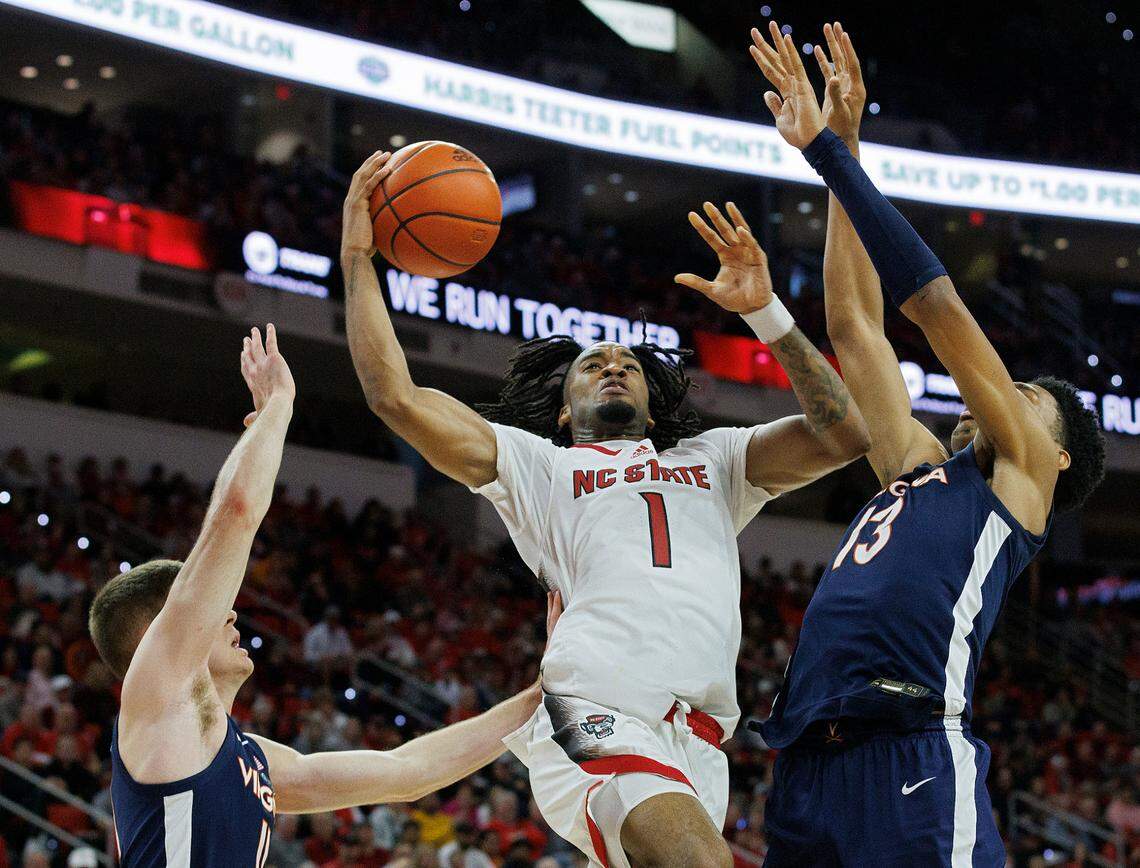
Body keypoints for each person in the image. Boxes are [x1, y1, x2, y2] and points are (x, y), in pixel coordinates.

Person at [341, 151, 870, 867]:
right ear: (563, 411)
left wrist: (766, 315)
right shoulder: (542, 468)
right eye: (592, 365)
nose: (613, 365)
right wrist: (356, 262)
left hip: (699, 742)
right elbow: (395, 398)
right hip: (592, 714)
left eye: (627, 362)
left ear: (655, 407)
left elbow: (846, 433)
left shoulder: (715, 460)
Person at [748, 22, 1107, 866]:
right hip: (806, 766)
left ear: (1053, 456)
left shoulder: (1018, 481)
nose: (998, 396)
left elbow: (934, 310)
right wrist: (846, 148)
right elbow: (854, 324)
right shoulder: (915, 469)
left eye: (1022, 396)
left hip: (909, 754)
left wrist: (825, 159)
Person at [88, 324, 561, 866]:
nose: (229, 610)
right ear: (159, 633)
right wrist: (279, 405)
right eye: (211, 607)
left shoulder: (248, 757)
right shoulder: (158, 694)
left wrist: (539, 694)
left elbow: (406, 774)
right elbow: (234, 517)